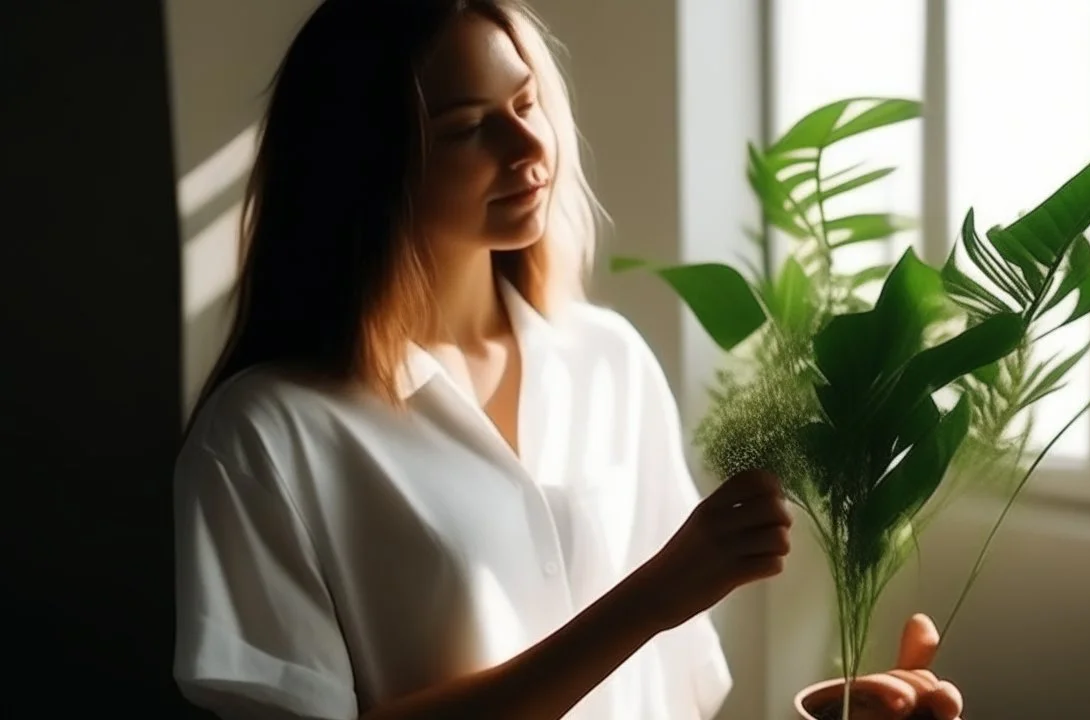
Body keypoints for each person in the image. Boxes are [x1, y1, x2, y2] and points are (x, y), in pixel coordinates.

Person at [172, 1, 964, 719]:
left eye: (524, 103)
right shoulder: (264, 438)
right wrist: (652, 596)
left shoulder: (608, 362)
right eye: (465, 127)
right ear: (364, 171)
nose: (527, 146)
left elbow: (663, 697)